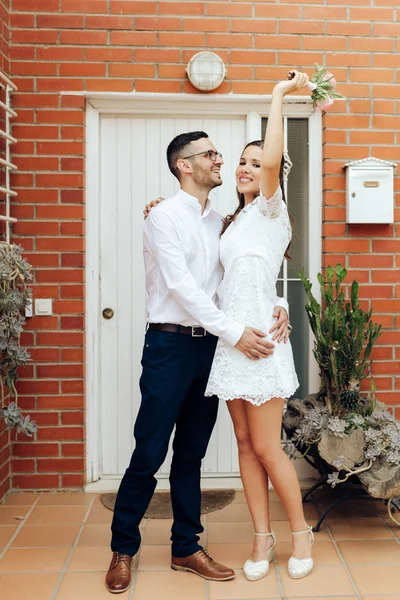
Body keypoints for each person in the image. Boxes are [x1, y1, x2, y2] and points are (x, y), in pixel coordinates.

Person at [145, 70, 315, 582]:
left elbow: (276, 156)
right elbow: (225, 276)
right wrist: (157, 206)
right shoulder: (229, 222)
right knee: (244, 446)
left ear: (272, 172)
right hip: (229, 342)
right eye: (239, 160)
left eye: (255, 162)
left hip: (259, 342)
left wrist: (280, 97)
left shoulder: (270, 207)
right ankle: (261, 539)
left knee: (266, 446)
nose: (244, 167)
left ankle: (300, 533)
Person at [105, 130, 290, 594]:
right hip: (169, 347)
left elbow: (247, 273)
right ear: (184, 165)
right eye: (210, 155)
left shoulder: (222, 222)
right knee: (149, 451)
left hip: (209, 348)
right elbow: (184, 288)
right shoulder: (162, 217)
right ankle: (122, 549)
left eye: (219, 154)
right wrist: (235, 333)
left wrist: (278, 304)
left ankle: (186, 545)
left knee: (191, 454)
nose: (220, 161)